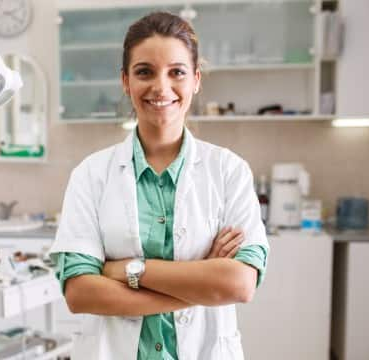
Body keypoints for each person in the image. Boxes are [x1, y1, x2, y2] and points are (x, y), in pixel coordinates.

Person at [48, 11, 269, 360]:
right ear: (125, 81)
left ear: (196, 80)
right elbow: (80, 293)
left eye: (177, 72)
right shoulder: (91, 175)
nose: (160, 87)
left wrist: (129, 270)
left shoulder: (229, 171)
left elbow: (239, 285)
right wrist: (202, 281)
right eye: (144, 72)